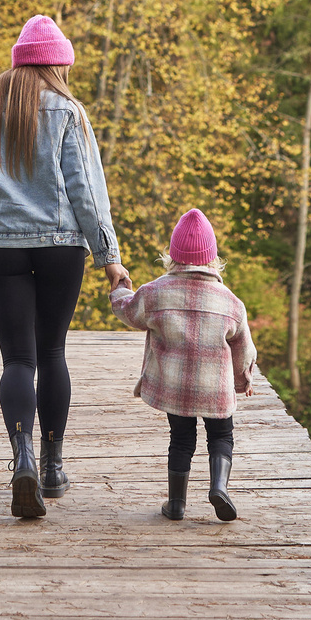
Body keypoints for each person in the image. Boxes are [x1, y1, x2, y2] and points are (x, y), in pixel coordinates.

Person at [0, 14, 127, 521]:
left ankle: (21, 457)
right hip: (61, 247)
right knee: (52, 352)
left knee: (17, 361)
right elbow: (87, 192)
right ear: (56, 65)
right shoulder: (68, 111)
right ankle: (51, 466)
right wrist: (109, 256)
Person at [110, 208, 259, 523]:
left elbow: (128, 310)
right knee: (221, 436)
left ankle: (176, 504)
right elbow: (243, 347)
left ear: (172, 256)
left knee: (180, 439)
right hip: (215, 390)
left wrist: (120, 288)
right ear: (212, 258)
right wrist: (242, 380)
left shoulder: (155, 293)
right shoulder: (231, 302)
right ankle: (219, 487)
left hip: (175, 388)